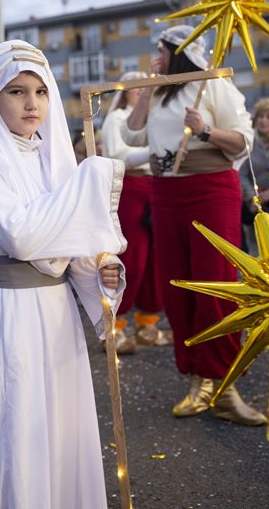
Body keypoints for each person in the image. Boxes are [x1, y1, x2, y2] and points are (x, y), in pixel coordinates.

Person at [0, 40, 127, 509]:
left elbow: (73, 245)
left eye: (40, 91)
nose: (32, 103)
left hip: (56, 312)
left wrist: (100, 265)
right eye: (16, 91)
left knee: (62, 426)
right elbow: (21, 236)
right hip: (8, 310)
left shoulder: (52, 159)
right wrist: (87, 188)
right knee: (19, 429)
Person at [121, 25, 267, 426]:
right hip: (165, 191)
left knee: (215, 283)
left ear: (178, 51)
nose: (158, 55)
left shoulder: (214, 84)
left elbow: (243, 142)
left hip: (211, 188)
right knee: (178, 287)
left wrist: (205, 130)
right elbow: (132, 133)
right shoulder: (162, 90)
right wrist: (149, 89)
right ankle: (197, 380)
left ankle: (223, 383)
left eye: (163, 49)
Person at [101, 72, 168, 353]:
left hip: (153, 186)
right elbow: (117, 154)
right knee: (133, 257)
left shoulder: (156, 117)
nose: (141, 92)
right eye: (135, 88)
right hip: (128, 188)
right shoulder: (117, 119)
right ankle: (115, 327)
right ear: (125, 91)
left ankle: (147, 323)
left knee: (154, 259)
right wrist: (154, 153)